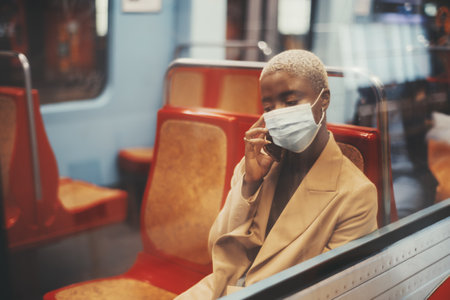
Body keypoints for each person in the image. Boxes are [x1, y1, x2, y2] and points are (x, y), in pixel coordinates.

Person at [176, 50, 378, 299]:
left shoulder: (356, 194)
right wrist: (250, 183)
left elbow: (332, 290)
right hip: (221, 287)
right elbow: (217, 247)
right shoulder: (258, 164)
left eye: (291, 102)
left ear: (323, 99)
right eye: (269, 107)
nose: (279, 114)